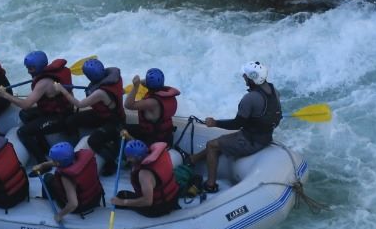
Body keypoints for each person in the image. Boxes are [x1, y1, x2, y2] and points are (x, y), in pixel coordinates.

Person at [185, 61, 283, 193]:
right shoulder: (274, 91)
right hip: (265, 137)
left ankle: (210, 184)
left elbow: (237, 124)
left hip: (251, 141)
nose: (243, 77)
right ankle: (193, 159)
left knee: (212, 145)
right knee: (221, 141)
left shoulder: (250, 98)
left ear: (252, 78)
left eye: (245, 75)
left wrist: (215, 123)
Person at [0, 50, 74, 163]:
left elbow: (26, 105)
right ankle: (44, 148)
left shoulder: (43, 83)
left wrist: (5, 95)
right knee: (25, 115)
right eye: (27, 68)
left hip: (59, 117)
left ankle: (42, 161)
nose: (28, 71)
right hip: (58, 110)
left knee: (23, 132)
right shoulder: (54, 73)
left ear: (38, 67)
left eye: (31, 69)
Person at [49, 58, 126, 170]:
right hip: (102, 115)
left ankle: (111, 162)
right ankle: (71, 147)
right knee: (71, 120)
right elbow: (121, 91)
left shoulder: (100, 92)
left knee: (93, 141)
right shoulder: (115, 78)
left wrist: (62, 89)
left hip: (114, 122)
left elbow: (79, 104)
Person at [30, 141, 105, 223]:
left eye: (54, 160)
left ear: (59, 162)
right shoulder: (83, 160)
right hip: (96, 198)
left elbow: (73, 204)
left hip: (81, 207)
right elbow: (58, 163)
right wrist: (42, 165)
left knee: (48, 177)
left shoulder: (67, 177)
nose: (53, 162)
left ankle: (46, 199)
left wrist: (59, 215)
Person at [112, 138, 178, 217]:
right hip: (174, 197)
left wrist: (122, 202)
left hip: (159, 207)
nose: (127, 159)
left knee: (121, 196)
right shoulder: (161, 153)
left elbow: (147, 201)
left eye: (129, 157)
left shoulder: (144, 174)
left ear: (138, 157)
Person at [125, 67, 180, 147]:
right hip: (165, 137)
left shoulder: (152, 102)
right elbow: (144, 83)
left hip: (154, 140)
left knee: (121, 129)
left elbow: (128, 105)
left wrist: (135, 86)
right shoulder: (166, 94)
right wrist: (143, 82)